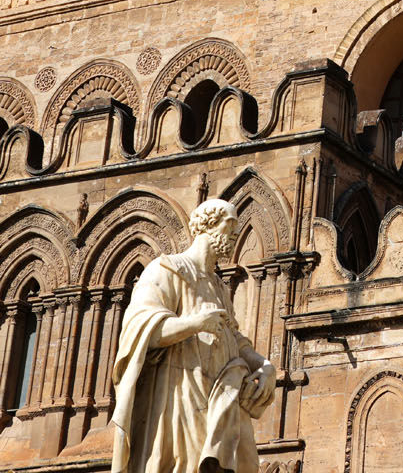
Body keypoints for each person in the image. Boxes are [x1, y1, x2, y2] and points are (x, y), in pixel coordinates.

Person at [111, 199, 278, 473]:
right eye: (231, 224)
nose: (236, 233)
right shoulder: (167, 269)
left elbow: (234, 339)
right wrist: (195, 323)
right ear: (208, 226)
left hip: (216, 397)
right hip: (177, 397)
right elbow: (141, 330)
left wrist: (264, 365)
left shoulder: (218, 286)